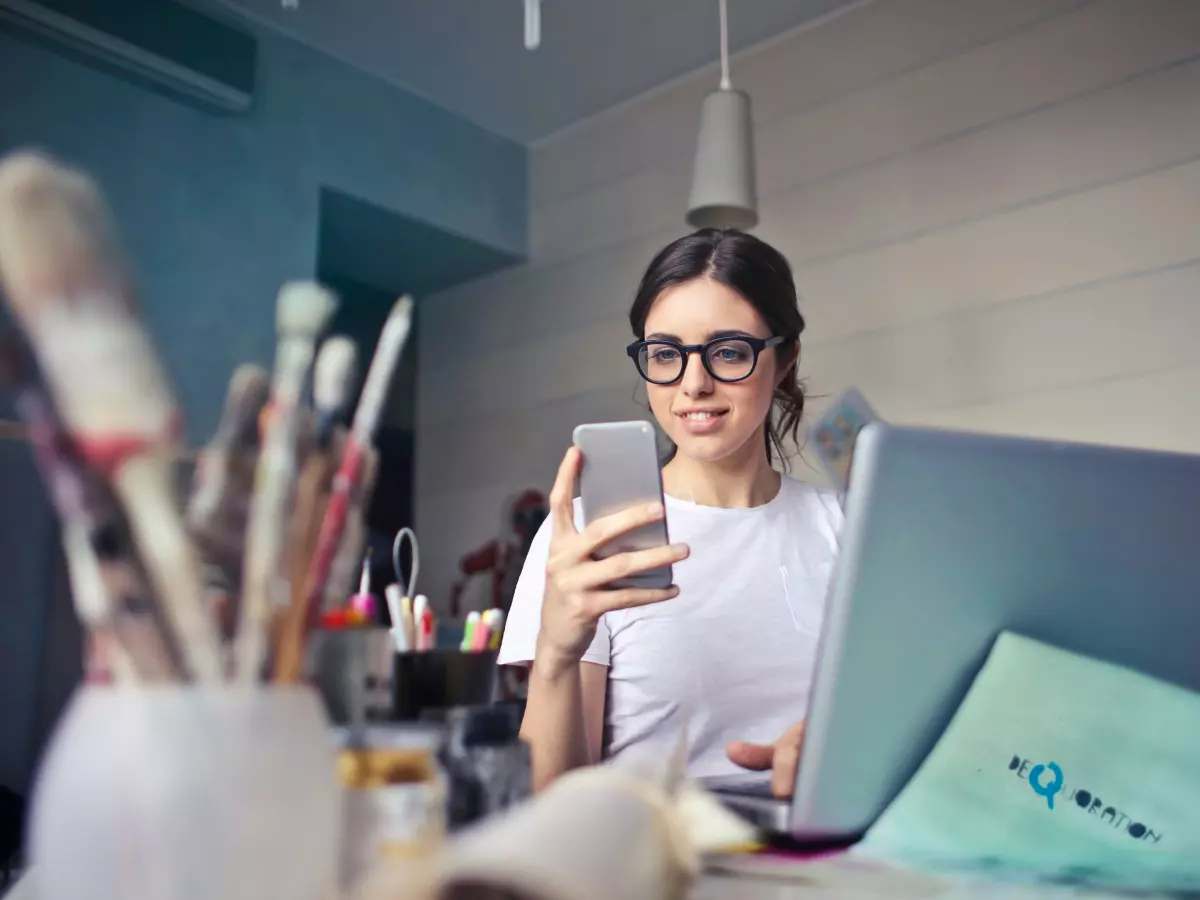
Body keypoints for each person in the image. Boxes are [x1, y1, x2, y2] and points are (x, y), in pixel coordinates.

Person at [498, 228, 842, 795]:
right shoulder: (590, 536)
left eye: (729, 351)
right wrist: (557, 652)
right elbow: (552, 803)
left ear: (784, 360)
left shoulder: (847, 528)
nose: (694, 384)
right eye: (666, 355)